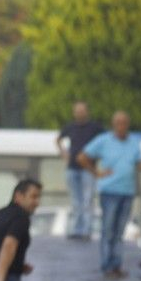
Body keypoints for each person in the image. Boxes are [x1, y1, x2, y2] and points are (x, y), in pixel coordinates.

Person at [78, 111, 141, 279]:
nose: (121, 127)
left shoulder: (134, 143)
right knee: (108, 230)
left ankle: (116, 264)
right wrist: (96, 172)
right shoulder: (104, 140)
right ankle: (106, 265)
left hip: (127, 192)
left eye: (124, 123)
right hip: (109, 191)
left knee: (119, 233)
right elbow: (82, 157)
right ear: (113, 124)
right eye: (118, 123)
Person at [56, 101, 104, 240]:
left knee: (88, 199)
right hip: (72, 168)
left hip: (88, 169)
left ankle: (86, 230)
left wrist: (98, 155)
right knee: (76, 201)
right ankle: (77, 229)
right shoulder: (70, 127)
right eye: (77, 111)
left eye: (82, 110)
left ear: (87, 112)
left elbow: (105, 141)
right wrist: (64, 153)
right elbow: (58, 140)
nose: (79, 113)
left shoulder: (95, 127)